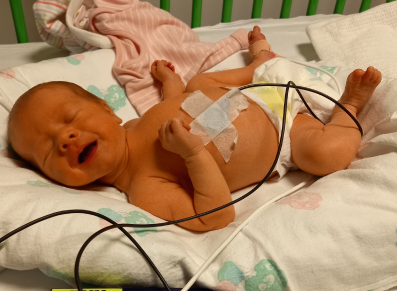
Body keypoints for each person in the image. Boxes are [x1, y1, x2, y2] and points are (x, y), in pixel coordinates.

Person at [7, 26, 382, 232]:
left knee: (197, 83)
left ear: (106, 107)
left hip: (259, 92)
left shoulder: (137, 125)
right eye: (47, 151)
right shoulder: (144, 188)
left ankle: (261, 64)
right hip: (287, 137)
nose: (65, 139)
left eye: (70, 118)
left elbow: (174, 106)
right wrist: (192, 153)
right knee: (326, 155)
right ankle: (349, 106)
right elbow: (215, 216)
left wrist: (170, 81)